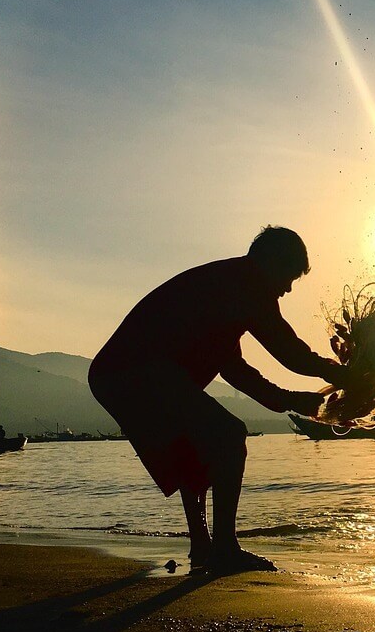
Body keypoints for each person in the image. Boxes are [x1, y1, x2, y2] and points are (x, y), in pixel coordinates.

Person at [88, 226, 352, 573]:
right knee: (228, 435)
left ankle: (203, 548)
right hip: (132, 372)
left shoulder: (226, 288)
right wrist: (346, 375)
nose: (287, 289)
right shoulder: (245, 286)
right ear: (270, 262)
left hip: (119, 375)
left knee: (194, 448)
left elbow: (235, 370)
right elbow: (289, 352)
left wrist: (291, 399)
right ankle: (224, 549)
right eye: (288, 277)